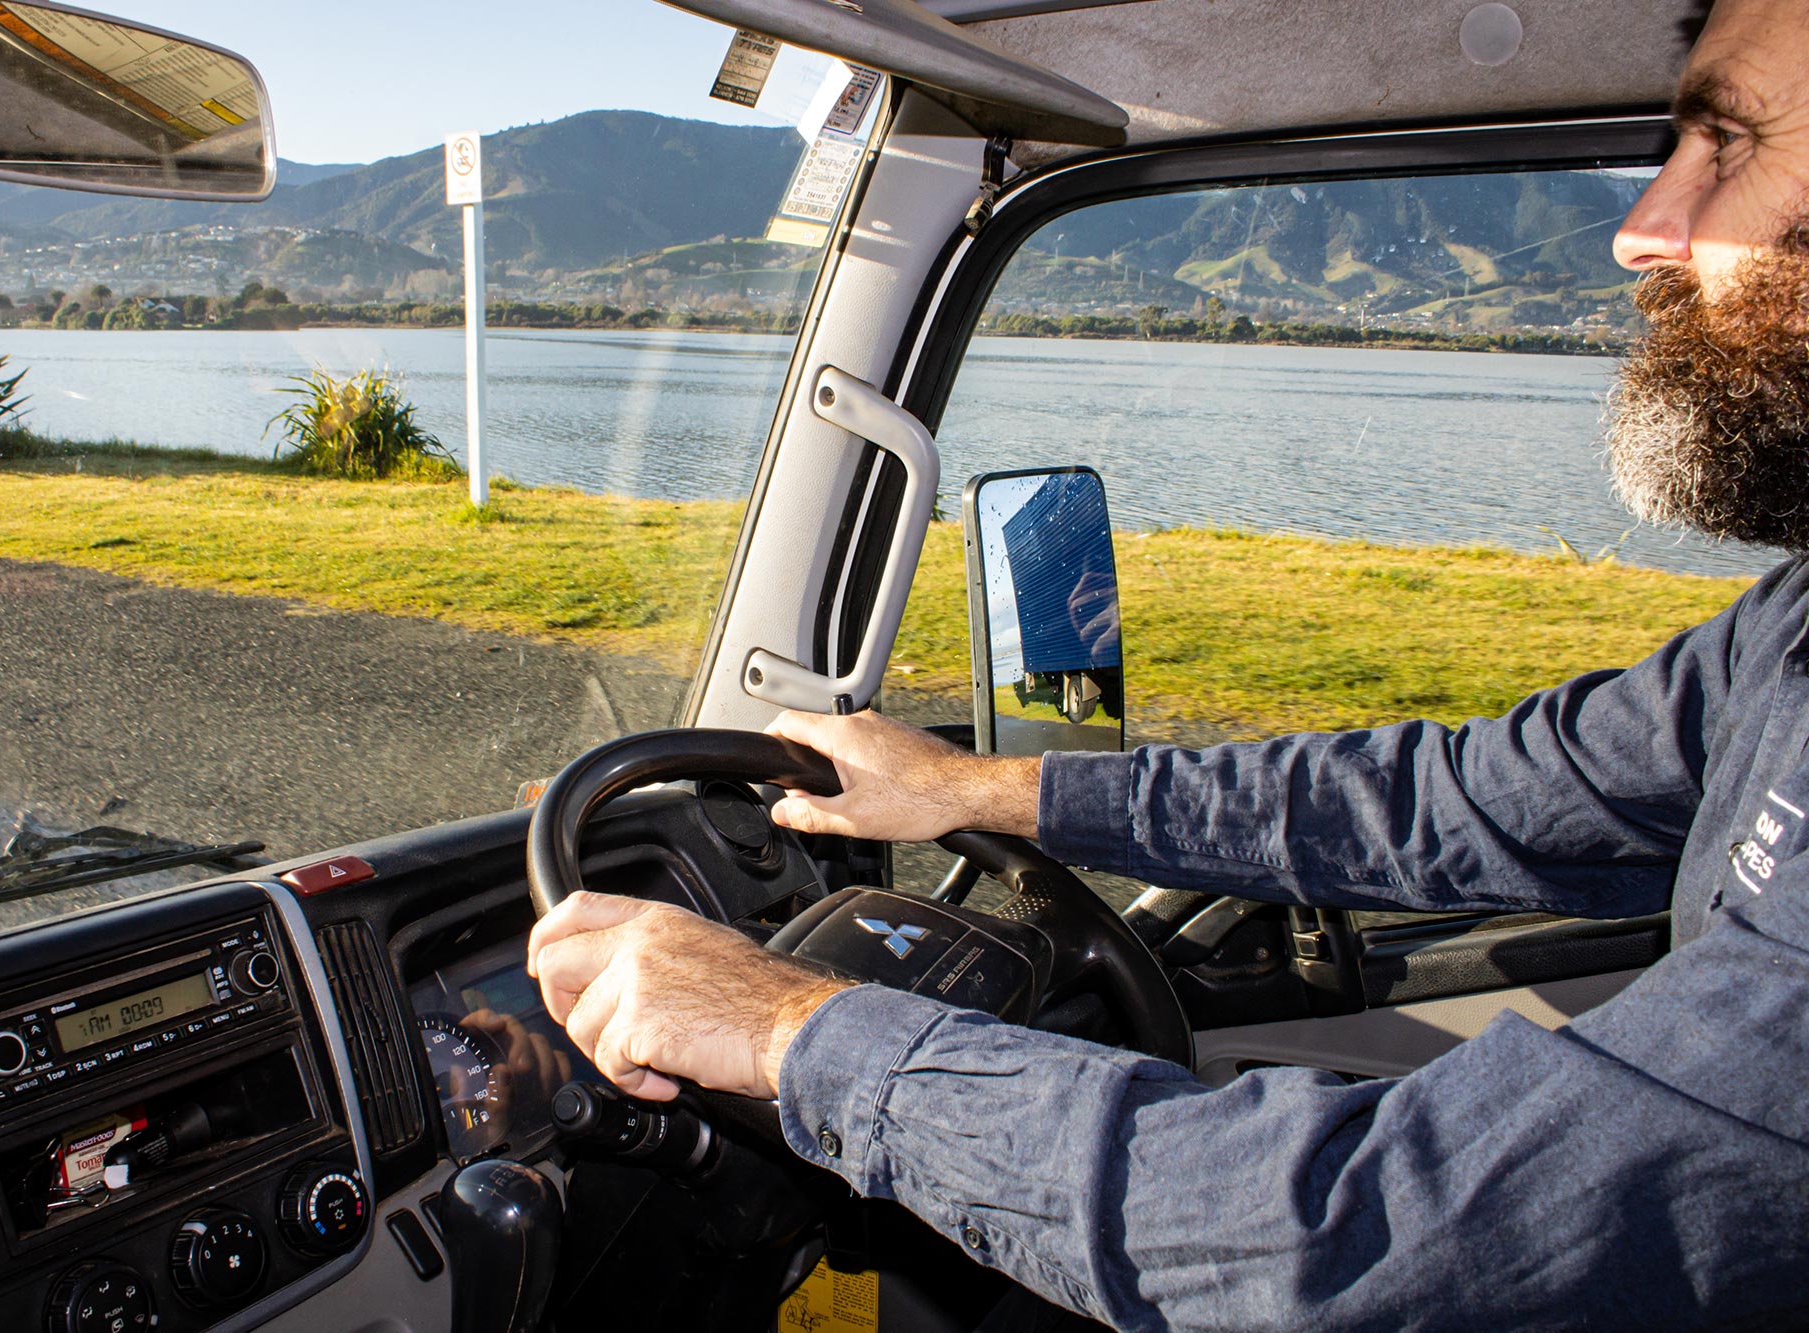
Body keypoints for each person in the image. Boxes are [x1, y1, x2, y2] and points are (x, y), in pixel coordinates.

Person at [527, 0, 1809, 1323]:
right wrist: (987, 793)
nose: (1645, 224)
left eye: (1728, 142)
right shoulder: (1789, 630)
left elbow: (1368, 1233)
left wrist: (791, 1030)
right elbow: (1468, 796)